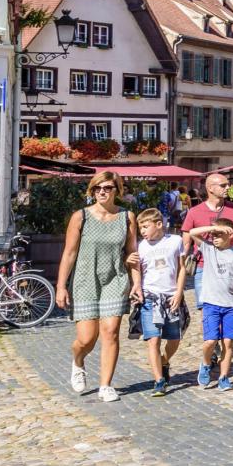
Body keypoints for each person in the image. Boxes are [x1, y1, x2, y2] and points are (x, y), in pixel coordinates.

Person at [55, 170, 141, 403]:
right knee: (86, 339)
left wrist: (137, 283)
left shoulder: (127, 217)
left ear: (117, 191)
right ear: (92, 191)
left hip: (115, 278)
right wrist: (61, 286)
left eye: (107, 188)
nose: (102, 192)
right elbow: (69, 253)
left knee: (111, 332)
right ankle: (78, 361)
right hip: (85, 280)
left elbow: (132, 252)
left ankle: (106, 385)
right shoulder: (80, 216)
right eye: (97, 188)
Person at [180, 173, 233, 370]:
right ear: (210, 188)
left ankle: (221, 344)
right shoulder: (194, 212)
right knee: (206, 310)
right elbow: (187, 240)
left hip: (228, 265)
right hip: (204, 266)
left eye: (228, 184)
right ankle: (213, 347)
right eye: (223, 185)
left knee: (226, 306)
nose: (228, 188)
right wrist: (181, 265)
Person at [186, 219, 233, 391]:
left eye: (218, 235)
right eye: (213, 235)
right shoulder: (208, 249)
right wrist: (214, 227)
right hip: (211, 303)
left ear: (229, 235)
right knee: (210, 341)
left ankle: (224, 377)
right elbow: (192, 232)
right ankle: (206, 363)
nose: (214, 237)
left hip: (231, 304)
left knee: (228, 343)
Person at [135, 207, 186, 396]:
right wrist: (137, 288)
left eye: (145, 227)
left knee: (174, 338)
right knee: (153, 339)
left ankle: (165, 360)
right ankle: (158, 380)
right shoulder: (140, 246)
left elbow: (182, 269)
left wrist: (179, 292)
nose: (143, 231)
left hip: (171, 296)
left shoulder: (175, 241)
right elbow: (137, 271)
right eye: (140, 228)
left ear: (159, 224)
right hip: (150, 297)